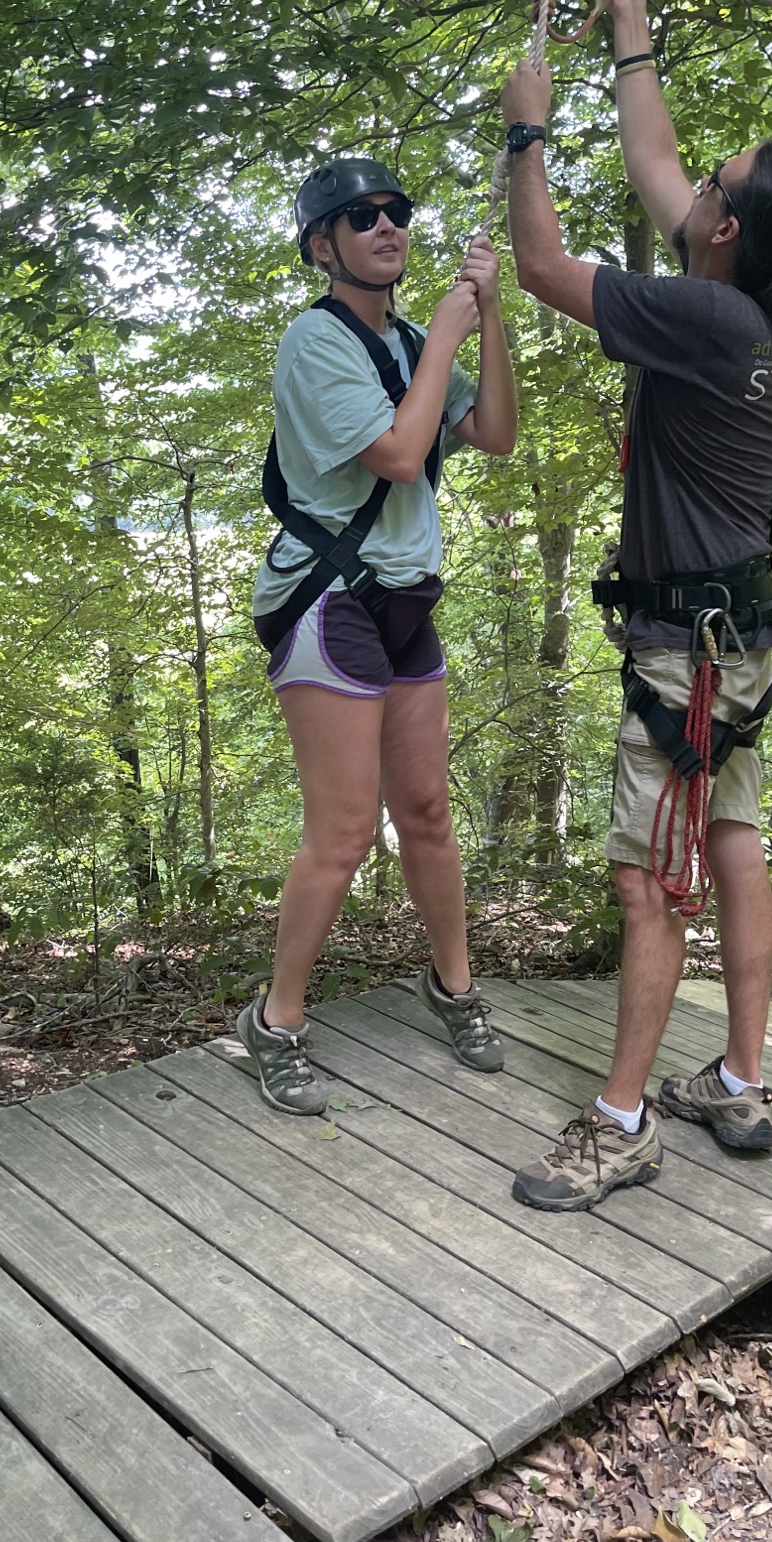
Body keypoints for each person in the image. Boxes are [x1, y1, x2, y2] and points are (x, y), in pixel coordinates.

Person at [499, 0, 772, 1211]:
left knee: (654, 876)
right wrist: (628, 30)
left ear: (727, 229)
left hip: (684, 655)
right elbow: (656, 163)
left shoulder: (702, 321)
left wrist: (527, 135)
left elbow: (540, 268)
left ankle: (621, 1119)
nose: (690, 182)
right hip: (735, 636)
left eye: (713, 185)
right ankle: (740, 1079)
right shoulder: (743, 308)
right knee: (734, 837)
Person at [240, 158, 519, 1113]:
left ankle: (455, 986)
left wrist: (488, 320)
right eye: (363, 218)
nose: (388, 228)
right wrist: (446, 327)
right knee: (347, 831)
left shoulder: (409, 343)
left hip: (405, 599)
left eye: (398, 213)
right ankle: (275, 1020)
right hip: (330, 600)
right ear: (323, 246)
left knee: (430, 811)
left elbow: (495, 433)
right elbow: (402, 457)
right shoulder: (314, 344)